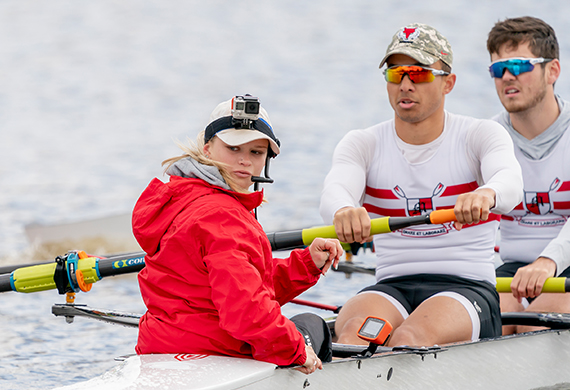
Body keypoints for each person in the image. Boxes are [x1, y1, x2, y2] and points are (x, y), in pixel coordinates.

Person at [320, 23, 523, 347]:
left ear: (448, 83)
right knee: (354, 335)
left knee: (411, 337)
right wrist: (344, 210)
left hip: (467, 288)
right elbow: (335, 191)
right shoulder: (363, 143)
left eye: (419, 73)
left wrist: (487, 193)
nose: (405, 84)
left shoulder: (479, 135)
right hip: (391, 287)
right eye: (395, 72)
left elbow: (510, 183)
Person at [132, 96, 343, 374]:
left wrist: (304, 265)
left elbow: (244, 284)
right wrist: (295, 351)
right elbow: (246, 312)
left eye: (256, 152)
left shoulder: (181, 198)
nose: (244, 161)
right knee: (313, 325)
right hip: (219, 353)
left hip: (158, 347)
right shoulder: (224, 216)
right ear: (208, 149)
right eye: (233, 148)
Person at [486, 16, 570, 334]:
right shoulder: (486, 137)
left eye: (520, 66)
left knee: (531, 327)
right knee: (489, 319)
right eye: (498, 69)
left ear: (553, 71)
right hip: (511, 272)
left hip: (564, 266)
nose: (507, 76)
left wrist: (547, 262)